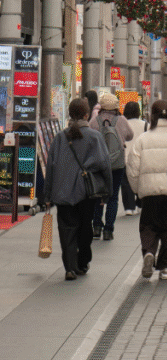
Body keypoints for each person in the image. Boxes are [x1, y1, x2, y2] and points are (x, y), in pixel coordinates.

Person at [45, 98, 112, 281]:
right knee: (85, 226)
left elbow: (51, 166)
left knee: (67, 229)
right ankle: (82, 262)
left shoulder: (60, 138)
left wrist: (47, 195)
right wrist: (107, 192)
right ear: (86, 114)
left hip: (62, 192)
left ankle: (70, 266)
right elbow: (105, 165)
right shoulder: (94, 137)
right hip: (86, 192)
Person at [126, 100, 167, 280]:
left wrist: (138, 190)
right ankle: (166, 268)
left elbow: (133, 167)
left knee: (148, 226)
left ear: (152, 116)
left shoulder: (143, 139)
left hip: (149, 191)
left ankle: (149, 252)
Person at [90, 92, 135, 241]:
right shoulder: (121, 120)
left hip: (98, 164)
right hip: (117, 164)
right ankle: (108, 230)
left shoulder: (95, 121)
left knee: (97, 195)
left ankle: (96, 226)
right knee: (113, 196)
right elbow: (130, 135)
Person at [120, 101, 145, 216]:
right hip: (141, 158)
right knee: (141, 182)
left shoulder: (122, 124)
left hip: (125, 157)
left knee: (126, 183)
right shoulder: (145, 124)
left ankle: (129, 207)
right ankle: (140, 204)